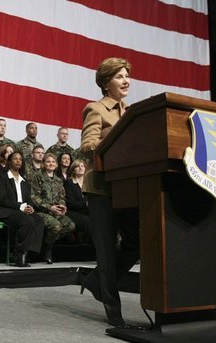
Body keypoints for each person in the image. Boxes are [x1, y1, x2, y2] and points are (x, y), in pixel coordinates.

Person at [79, 57, 136, 327]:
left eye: (127, 76)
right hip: (101, 188)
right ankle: (114, 312)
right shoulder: (96, 109)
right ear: (105, 83)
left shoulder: (132, 113)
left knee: (136, 243)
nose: (126, 80)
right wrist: (115, 141)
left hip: (127, 187)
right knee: (106, 250)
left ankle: (94, 281)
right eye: (119, 76)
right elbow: (88, 145)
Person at [0, 151, 44, 267]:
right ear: (9, 162)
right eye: (15, 159)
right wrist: (21, 207)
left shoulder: (24, 181)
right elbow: (2, 199)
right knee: (27, 220)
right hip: (5, 211)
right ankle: (20, 254)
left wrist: (30, 207)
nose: (18, 161)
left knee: (39, 220)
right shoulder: (3, 177)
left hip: (21, 211)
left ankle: (26, 252)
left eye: (20, 159)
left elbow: (28, 199)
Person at [30, 153, 75, 264]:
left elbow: (61, 197)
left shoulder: (59, 180)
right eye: (48, 161)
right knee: (56, 226)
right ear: (44, 164)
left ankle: (46, 243)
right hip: (40, 212)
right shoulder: (38, 177)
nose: (51, 164)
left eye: (53, 162)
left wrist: (62, 206)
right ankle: (48, 250)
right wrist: (50, 208)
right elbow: (34, 197)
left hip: (56, 212)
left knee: (70, 225)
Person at [64, 159, 93, 243]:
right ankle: (89, 247)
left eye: (82, 166)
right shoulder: (68, 183)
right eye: (77, 166)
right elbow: (70, 203)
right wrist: (86, 203)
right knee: (87, 222)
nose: (80, 168)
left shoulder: (88, 183)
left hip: (87, 210)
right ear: (73, 169)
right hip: (73, 211)